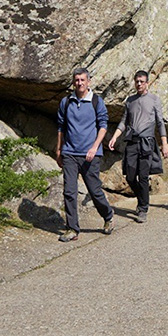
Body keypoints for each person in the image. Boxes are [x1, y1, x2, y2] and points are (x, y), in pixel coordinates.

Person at [55, 68, 115, 242]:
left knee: (95, 191)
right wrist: (58, 150)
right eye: (76, 80)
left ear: (88, 81)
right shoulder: (66, 102)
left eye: (82, 80)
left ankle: (108, 216)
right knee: (69, 191)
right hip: (69, 153)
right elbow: (61, 127)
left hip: (90, 155)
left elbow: (103, 126)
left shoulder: (97, 101)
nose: (79, 83)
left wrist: (94, 147)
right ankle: (72, 228)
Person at [109, 70, 168, 224]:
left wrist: (164, 143)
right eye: (137, 81)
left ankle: (143, 208)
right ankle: (143, 198)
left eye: (142, 81)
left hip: (147, 143)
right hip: (132, 142)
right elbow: (124, 121)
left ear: (147, 83)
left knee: (143, 177)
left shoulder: (154, 100)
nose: (139, 84)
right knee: (129, 176)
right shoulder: (130, 101)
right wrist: (115, 136)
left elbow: (160, 123)